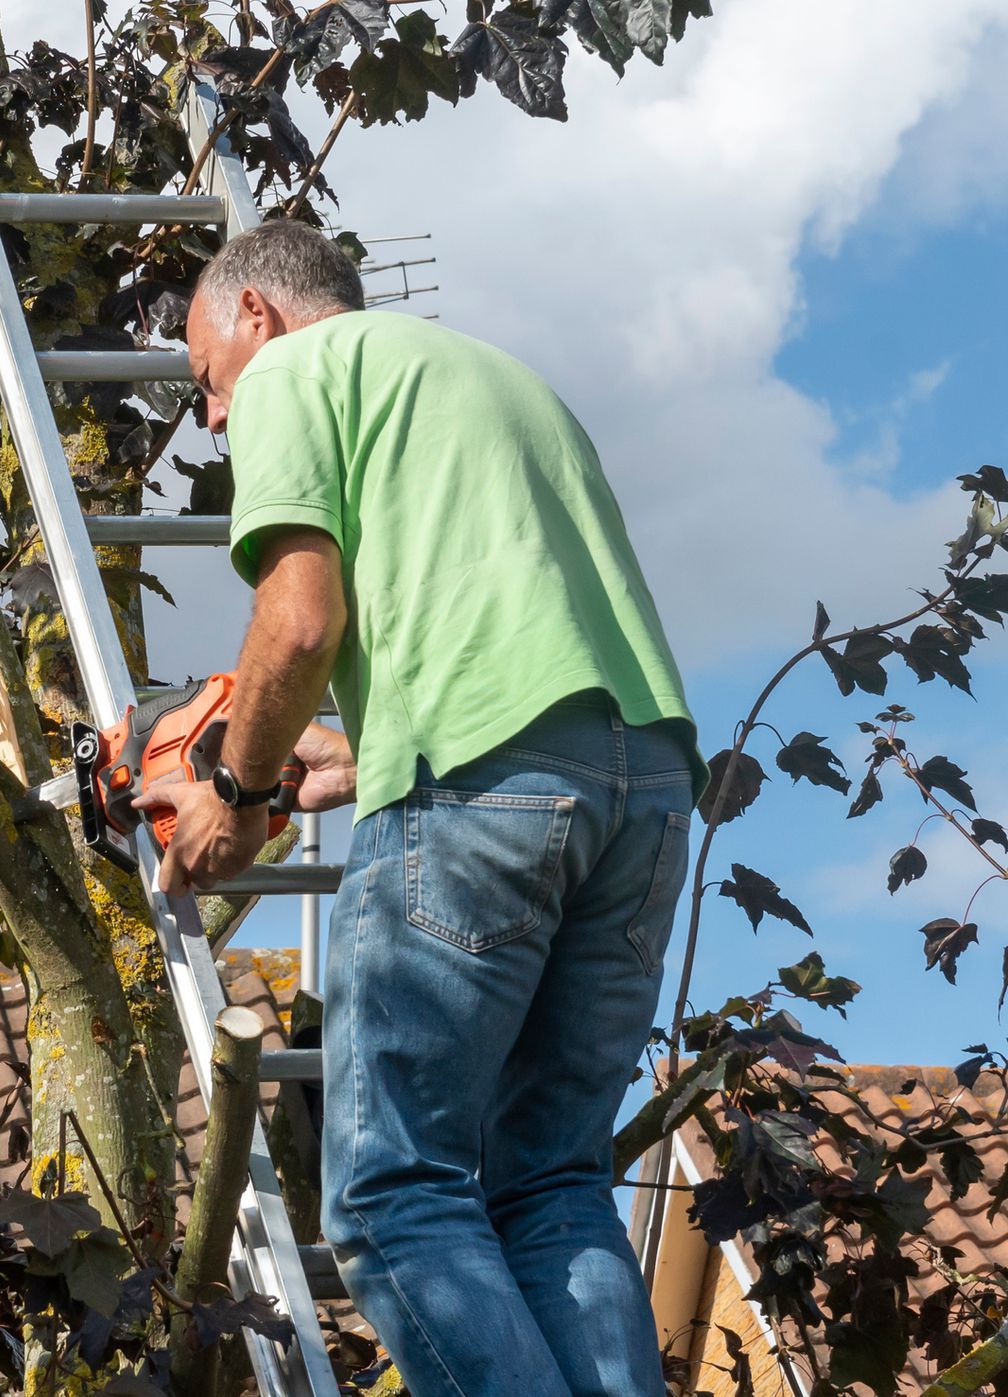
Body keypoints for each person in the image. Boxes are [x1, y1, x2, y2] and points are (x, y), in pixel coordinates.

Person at [134, 219, 706, 1397]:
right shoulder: (499, 379)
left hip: (480, 788)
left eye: (204, 382)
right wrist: (350, 751)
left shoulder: (296, 368)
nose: (214, 418)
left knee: (396, 1195)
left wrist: (235, 789)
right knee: (549, 1184)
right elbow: (518, 639)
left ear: (257, 314)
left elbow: (299, 620)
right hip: (641, 787)